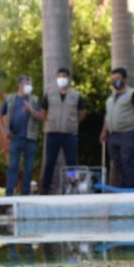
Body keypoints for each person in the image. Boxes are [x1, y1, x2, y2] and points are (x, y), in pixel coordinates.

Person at [34, 67, 86, 195]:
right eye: (59, 76)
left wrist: (72, 123)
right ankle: (44, 189)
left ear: (68, 78)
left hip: (69, 135)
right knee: (49, 162)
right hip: (52, 133)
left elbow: (82, 114)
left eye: (64, 76)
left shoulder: (76, 95)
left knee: (71, 162)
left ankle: (73, 188)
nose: (62, 79)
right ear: (56, 78)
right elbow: (44, 113)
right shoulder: (49, 94)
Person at [99, 67, 134, 188]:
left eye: (118, 78)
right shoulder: (110, 98)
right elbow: (108, 116)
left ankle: (131, 187)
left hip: (128, 133)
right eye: (113, 79)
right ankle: (125, 185)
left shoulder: (132, 94)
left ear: (124, 79)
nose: (115, 81)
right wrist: (104, 131)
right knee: (117, 162)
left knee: (128, 161)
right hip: (113, 134)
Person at [0, 75, 40, 196]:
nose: (29, 86)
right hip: (15, 138)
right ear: (20, 85)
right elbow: (0, 115)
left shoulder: (35, 99)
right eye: (27, 84)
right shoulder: (10, 98)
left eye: (30, 84)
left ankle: (25, 193)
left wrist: (31, 110)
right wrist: (5, 130)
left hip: (30, 138)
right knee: (13, 166)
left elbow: (41, 116)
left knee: (29, 167)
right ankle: (9, 192)